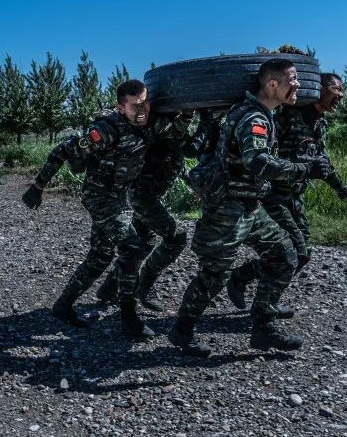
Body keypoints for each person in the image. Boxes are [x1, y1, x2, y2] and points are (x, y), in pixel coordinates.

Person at [168, 59, 330, 357]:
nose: (299, 85)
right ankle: (182, 330)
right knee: (213, 275)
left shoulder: (264, 114)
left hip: (249, 206)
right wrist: (303, 168)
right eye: (292, 79)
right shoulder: (254, 118)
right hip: (228, 208)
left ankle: (263, 327)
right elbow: (257, 161)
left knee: (284, 255)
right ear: (272, 84)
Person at [22, 79, 179, 340]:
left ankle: (63, 306)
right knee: (131, 247)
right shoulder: (106, 131)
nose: (142, 111)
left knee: (100, 256)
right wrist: (37, 187)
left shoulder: (147, 124)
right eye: (135, 106)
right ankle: (129, 318)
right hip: (98, 194)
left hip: (120, 196)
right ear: (120, 108)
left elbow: (177, 125)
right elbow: (61, 151)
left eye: (145, 104)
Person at [226, 73, 347, 314]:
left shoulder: (319, 123)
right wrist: (301, 168)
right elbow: (266, 157)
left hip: (295, 196)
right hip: (272, 196)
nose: (341, 95)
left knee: (303, 255)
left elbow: (321, 161)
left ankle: (245, 279)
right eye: (336, 89)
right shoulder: (286, 117)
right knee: (292, 252)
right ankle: (263, 306)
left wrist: (338, 186)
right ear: (318, 89)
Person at [93, 112, 195, 312]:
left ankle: (109, 288)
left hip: (148, 197)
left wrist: (195, 184)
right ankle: (145, 285)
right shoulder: (158, 135)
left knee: (142, 244)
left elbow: (178, 165)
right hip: (142, 197)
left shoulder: (175, 141)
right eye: (183, 120)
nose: (186, 124)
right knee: (177, 237)